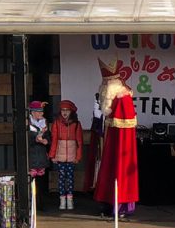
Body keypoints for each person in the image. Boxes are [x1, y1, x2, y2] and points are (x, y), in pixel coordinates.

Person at [93, 59, 139, 218]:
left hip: (120, 149)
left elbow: (125, 129)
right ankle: (108, 204)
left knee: (119, 171)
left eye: (107, 82)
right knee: (108, 171)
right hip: (111, 145)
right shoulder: (111, 100)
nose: (104, 86)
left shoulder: (123, 98)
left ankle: (120, 207)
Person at [48, 99, 83, 211]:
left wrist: (78, 156)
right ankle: (62, 200)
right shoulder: (57, 123)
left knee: (70, 178)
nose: (65, 112)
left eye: (67, 110)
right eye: (63, 110)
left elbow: (79, 141)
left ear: (71, 112)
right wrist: (52, 155)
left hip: (72, 154)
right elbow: (54, 140)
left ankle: (70, 199)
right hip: (60, 154)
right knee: (62, 178)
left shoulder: (76, 124)